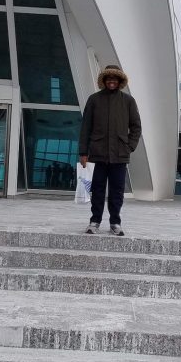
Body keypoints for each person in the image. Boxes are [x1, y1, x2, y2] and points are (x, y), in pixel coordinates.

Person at [78, 64, 141, 236]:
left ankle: (115, 222)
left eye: (115, 78)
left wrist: (129, 146)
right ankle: (94, 221)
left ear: (119, 81)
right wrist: (83, 152)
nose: (111, 81)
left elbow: (136, 127)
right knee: (97, 189)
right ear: (104, 80)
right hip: (97, 154)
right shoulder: (94, 99)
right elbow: (86, 127)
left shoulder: (128, 101)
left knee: (117, 191)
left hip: (120, 154)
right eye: (108, 78)